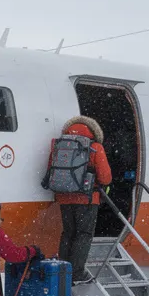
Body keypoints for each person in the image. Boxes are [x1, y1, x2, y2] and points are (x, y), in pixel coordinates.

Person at [50, 115, 112, 283]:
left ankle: (63, 268)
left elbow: (52, 169)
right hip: (86, 198)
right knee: (83, 234)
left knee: (68, 233)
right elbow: (106, 177)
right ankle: (77, 271)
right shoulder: (94, 147)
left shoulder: (60, 145)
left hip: (64, 197)